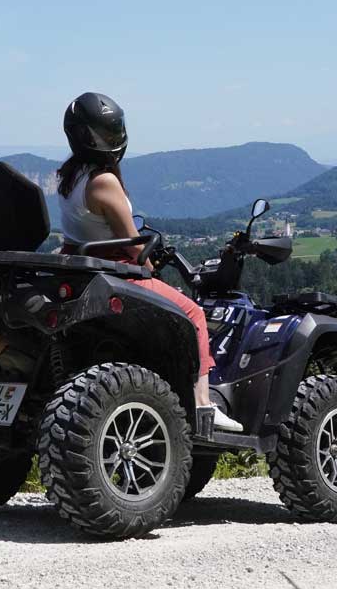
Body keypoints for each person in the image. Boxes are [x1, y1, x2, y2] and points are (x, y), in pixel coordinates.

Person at [55, 91, 241, 433]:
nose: (115, 140)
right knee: (194, 314)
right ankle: (203, 405)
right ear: (90, 137)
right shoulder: (103, 181)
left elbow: (77, 233)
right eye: (108, 134)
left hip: (83, 271)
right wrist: (150, 264)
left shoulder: (67, 177)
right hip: (118, 271)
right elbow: (131, 243)